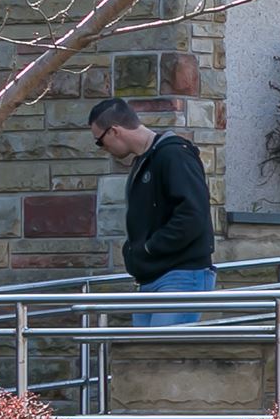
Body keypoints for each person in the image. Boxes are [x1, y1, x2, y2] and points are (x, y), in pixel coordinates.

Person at [90, 98, 214, 326]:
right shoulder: (145, 161)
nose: (103, 149)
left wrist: (150, 247)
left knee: (162, 355)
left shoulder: (174, 155)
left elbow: (193, 214)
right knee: (144, 356)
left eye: (100, 142)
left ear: (114, 131)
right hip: (152, 277)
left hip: (181, 275)